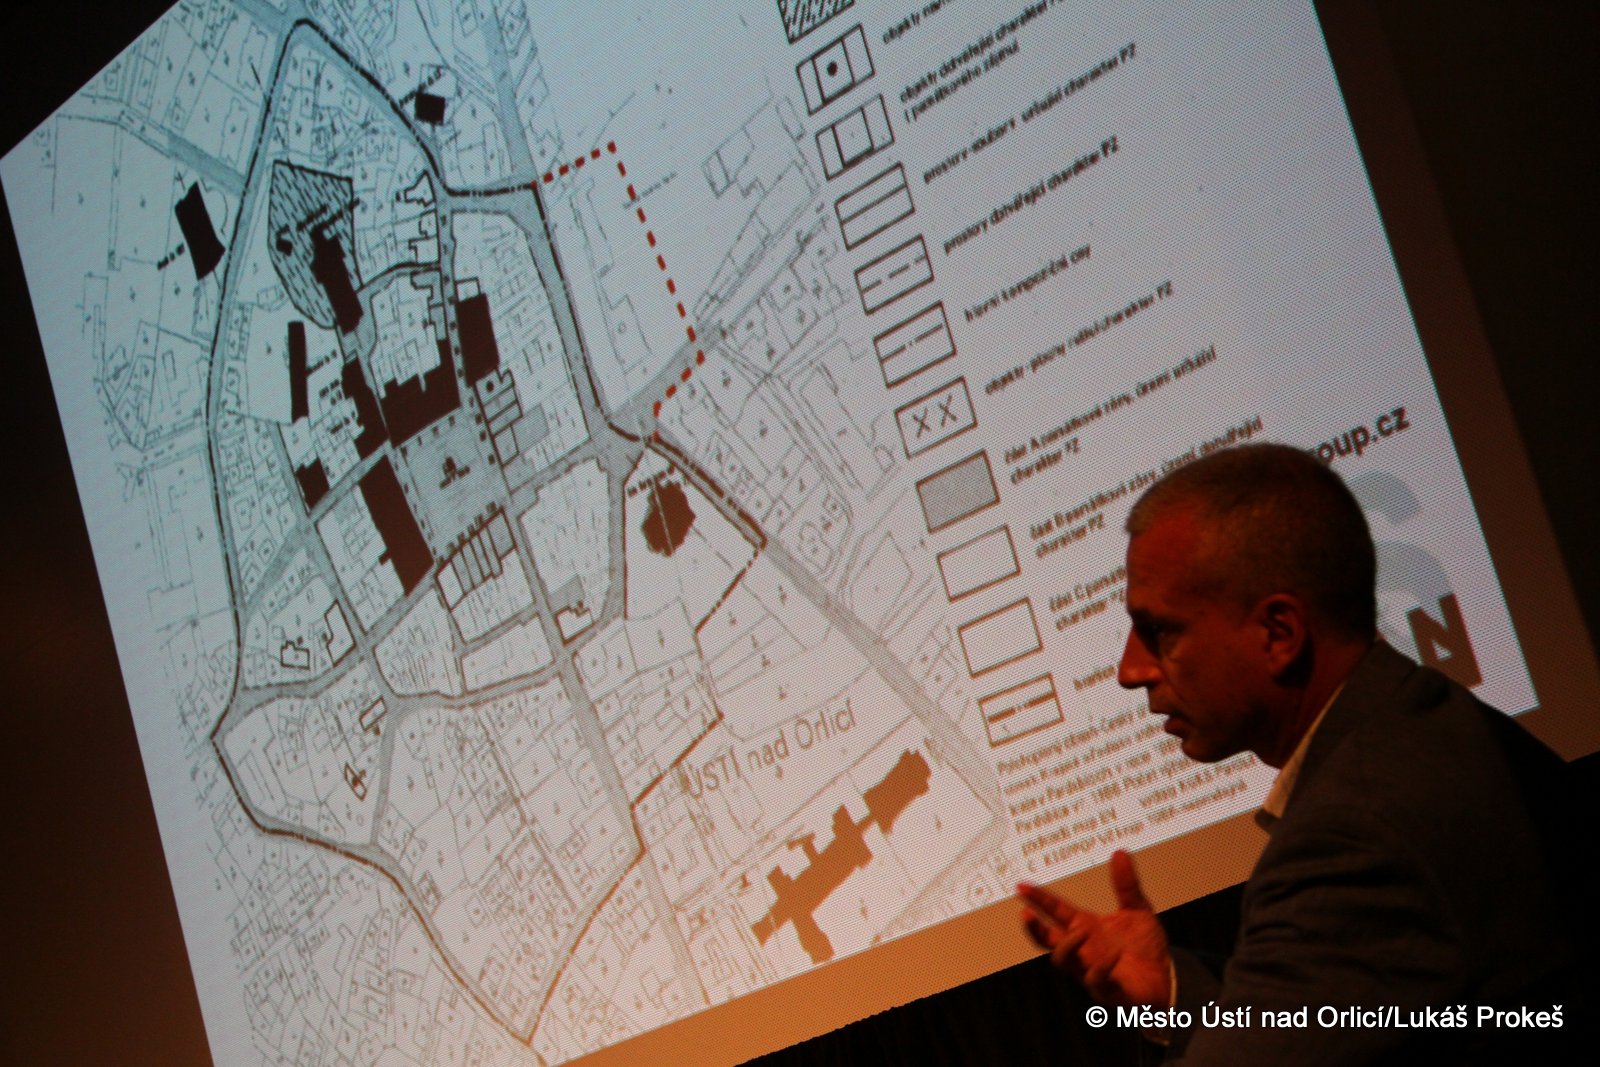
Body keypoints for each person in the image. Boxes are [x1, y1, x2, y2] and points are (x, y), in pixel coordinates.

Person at [1016, 442, 1588, 1063]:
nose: (1130, 671)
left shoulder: (1353, 835)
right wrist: (1176, 995)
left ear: (1278, 634)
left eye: (1159, 631)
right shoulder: (1418, 719)